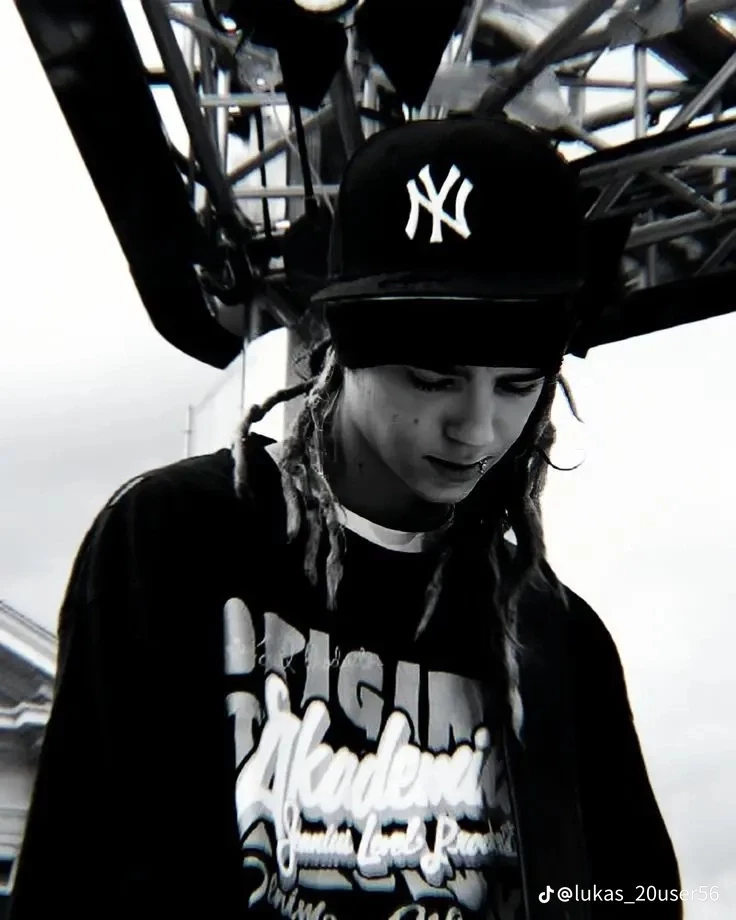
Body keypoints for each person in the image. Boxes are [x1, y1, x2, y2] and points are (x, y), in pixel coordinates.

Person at [9, 116, 681, 919]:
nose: (477, 430)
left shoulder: (556, 635)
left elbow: (633, 896)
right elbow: (71, 876)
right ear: (339, 343)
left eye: (517, 385)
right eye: (432, 379)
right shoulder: (175, 538)